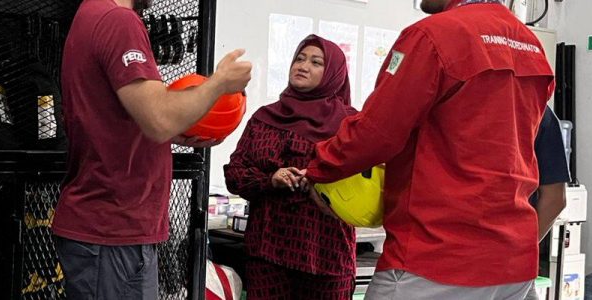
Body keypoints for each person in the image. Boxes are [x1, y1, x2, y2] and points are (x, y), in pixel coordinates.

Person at [303, 0, 555, 299]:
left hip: (436, 258)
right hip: (513, 266)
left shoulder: (432, 35)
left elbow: (378, 132)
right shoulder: (530, 45)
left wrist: (318, 170)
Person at [51, 0, 252, 298]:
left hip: (109, 229)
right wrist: (219, 83)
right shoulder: (118, 20)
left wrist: (180, 132)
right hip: (112, 230)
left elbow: (117, 119)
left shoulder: (91, 13)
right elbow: (159, 118)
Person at [224, 35, 358, 299]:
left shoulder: (351, 125)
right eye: (299, 58)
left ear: (333, 73)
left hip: (327, 254)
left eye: (316, 62)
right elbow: (235, 173)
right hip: (268, 252)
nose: (303, 66)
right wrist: (270, 179)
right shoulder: (264, 118)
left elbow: (368, 181)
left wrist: (321, 178)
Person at [526, 107, 570, 300]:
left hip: (445, 264)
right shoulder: (536, 106)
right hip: (513, 269)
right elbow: (555, 200)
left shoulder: (445, 101)